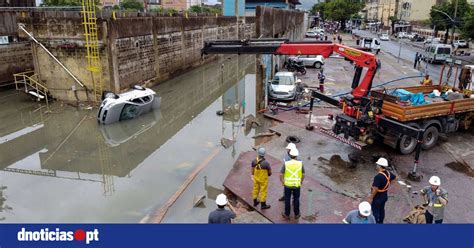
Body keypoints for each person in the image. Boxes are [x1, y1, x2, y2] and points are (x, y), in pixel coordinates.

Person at [367, 157, 396, 224]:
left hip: (377, 198)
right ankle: (381, 222)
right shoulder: (388, 173)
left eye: (377, 165)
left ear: (379, 166)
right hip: (384, 196)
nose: (376, 166)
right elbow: (395, 178)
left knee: (375, 212)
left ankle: (376, 223)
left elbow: (375, 189)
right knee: (381, 210)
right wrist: (388, 184)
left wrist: (371, 198)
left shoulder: (378, 177)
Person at [280, 148, 304, 219]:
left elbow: (281, 174)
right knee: (296, 199)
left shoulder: (286, 163)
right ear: (297, 155)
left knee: (287, 199)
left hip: (287, 185)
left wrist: (282, 181)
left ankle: (287, 214)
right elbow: (303, 174)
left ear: (290, 155)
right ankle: (297, 214)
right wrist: (301, 181)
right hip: (297, 185)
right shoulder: (300, 163)